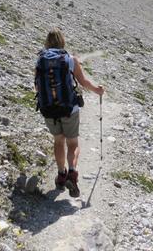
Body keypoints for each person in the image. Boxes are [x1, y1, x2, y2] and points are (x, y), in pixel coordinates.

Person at [35, 29, 104, 198]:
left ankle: (60, 175)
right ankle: (72, 173)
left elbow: (37, 86)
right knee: (73, 143)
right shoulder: (70, 60)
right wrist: (98, 90)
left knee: (58, 141)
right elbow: (84, 82)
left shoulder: (40, 60)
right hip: (69, 109)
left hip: (49, 109)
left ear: (47, 42)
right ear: (62, 41)